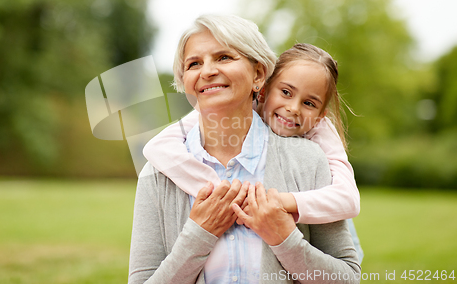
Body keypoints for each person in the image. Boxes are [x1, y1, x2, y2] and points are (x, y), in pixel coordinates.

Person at [129, 14, 360, 283]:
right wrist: (198, 236)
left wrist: (285, 239)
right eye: (194, 63)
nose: (207, 71)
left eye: (224, 57)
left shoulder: (308, 160)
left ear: (259, 74)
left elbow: (347, 278)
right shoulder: (157, 174)